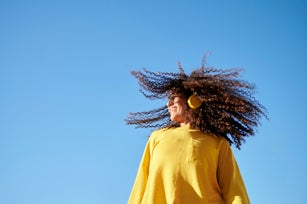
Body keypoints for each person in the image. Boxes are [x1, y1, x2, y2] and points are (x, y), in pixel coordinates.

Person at [126, 59, 267, 204]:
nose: (169, 104)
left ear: (192, 100)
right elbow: (140, 187)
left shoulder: (217, 144)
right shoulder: (157, 137)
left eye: (174, 98)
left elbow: (235, 193)